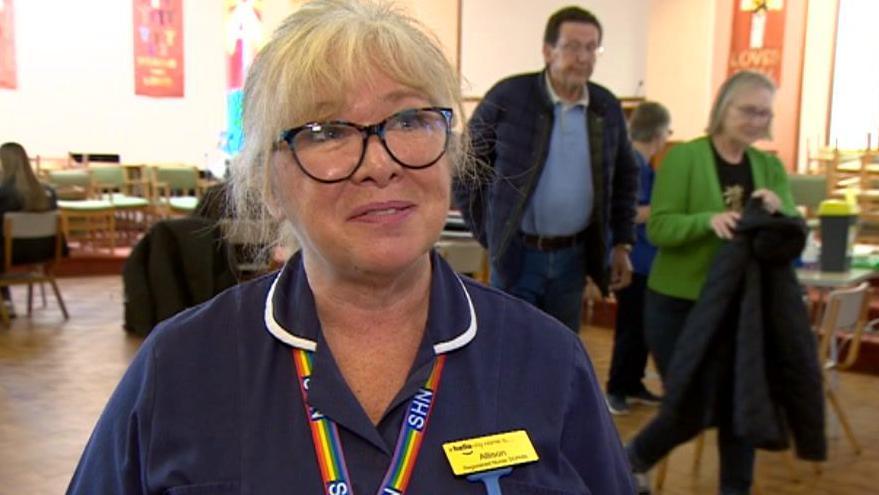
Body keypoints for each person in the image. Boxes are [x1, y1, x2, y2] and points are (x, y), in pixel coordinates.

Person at [68, 1, 635, 493]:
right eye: (327, 132)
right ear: (268, 183)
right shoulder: (181, 367)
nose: (382, 163)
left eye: (410, 119)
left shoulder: (550, 363)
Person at [627, 71, 809, 495]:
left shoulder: (768, 166)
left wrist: (779, 213)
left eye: (764, 113)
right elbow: (660, 229)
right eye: (748, 110)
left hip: (741, 309)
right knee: (692, 403)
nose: (756, 120)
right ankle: (632, 457)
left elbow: (789, 233)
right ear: (723, 108)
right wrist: (706, 221)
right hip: (679, 305)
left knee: (741, 406)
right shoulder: (685, 158)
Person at [454, 6, 639, 333]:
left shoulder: (606, 106)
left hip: (574, 258)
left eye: (591, 47)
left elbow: (625, 177)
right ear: (547, 50)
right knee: (507, 348)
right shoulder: (509, 97)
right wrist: (492, 233)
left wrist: (622, 242)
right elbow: (466, 167)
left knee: (560, 351)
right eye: (572, 46)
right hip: (517, 256)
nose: (583, 57)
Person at [605, 102, 671, 415]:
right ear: (658, 133)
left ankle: (634, 384)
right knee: (631, 327)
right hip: (634, 259)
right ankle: (617, 387)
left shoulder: (645, 166)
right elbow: (627, 212)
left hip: (648, 260)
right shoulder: (631, 164)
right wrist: (668, 208)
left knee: (642, 326)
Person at [0, 142, 60, 317]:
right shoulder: (48, 192)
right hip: (44, 251)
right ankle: (6, 303)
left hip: (10, 254)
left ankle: (5, 303)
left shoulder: (5, 194)